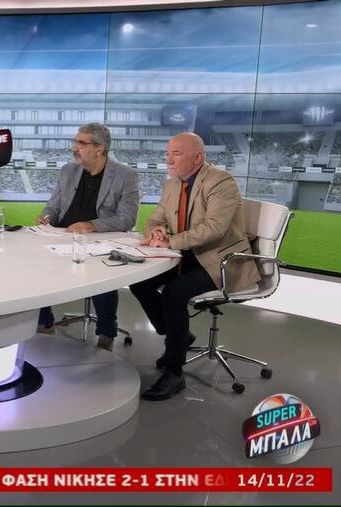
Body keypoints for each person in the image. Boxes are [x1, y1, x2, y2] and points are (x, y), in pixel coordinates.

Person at [129, 132, 260, 401]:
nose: (168, 160)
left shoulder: (221, 181)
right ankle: (178, 334)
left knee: (174, 293)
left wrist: (170, 241)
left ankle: (174, 373)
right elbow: (155, 219)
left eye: (176, 154)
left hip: (220, 261)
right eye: (167, 154)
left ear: (198, 157)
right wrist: (156, 232)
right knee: (140, 283)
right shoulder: (171, 185)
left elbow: (214, 228)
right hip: (186, 256)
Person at [36, 123, 140, 351]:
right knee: (37, 267)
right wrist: (47, 217)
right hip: (62, 236)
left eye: (81, 143)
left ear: (99, 149)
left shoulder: (125, 175)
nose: (74, 148)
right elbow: (53, 206)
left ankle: (106, 333)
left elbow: (127, 218)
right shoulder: (68, 170)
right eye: (75, 141)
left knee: (102, 277)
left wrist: (91, 225)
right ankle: (44, 323)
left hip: (98, 241)